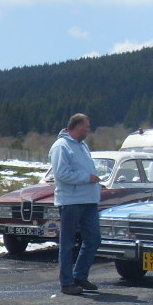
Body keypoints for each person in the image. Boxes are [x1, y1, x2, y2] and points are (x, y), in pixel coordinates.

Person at [49, 113, 102, 295]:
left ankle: (79, 275)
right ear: (77, 126)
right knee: (68, 243)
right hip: (71, 201)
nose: (88, 129)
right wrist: (87, 178)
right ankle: (66, 282)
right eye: (87, 126)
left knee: (93, 239)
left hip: (88, 201)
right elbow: (61, 174)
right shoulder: (61, 146)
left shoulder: (82, 146)